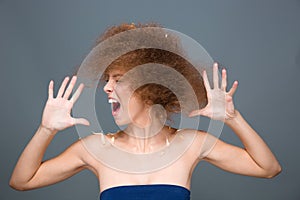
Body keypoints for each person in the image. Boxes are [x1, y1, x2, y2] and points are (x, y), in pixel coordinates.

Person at [9, 23, 281, 200]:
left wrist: (233, 118)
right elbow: (22, 181)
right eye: (107, 80)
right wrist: (46, 130)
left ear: (149, 84)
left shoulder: (190, 143)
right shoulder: (95, 148)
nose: (107, 88)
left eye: (118, 79)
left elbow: (268, 168)